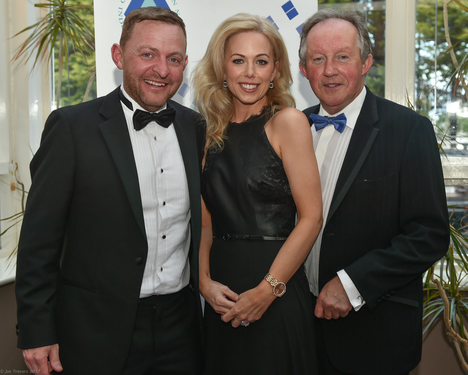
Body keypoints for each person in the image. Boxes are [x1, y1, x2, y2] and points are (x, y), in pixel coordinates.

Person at [15, 6, 204, 375]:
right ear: (119, 55)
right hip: (95, 329)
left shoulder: (195, 128)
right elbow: (40, 239)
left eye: (174, 58)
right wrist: (36, 329)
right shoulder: (71, 128)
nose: (161, 70)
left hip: (181, 327)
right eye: (147, 54)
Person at [298, 8, 450, 375]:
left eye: (342, 57)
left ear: (366, 62)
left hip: (374, 336)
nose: (330, 70)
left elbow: (428, 234)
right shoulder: (292, 128)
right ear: (303, 70)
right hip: (298, 333)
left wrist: (352, 285)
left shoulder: (409, 130)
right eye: (318, 59)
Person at [192, 13, 323, 375]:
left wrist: (268, 290)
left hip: (275, 287)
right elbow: (205, 223)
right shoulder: (206, 133)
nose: (250, 72)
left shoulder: (288, 122)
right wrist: (203, 281)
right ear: (223, 67)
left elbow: (312, 218)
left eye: (260, 61)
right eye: (239, 61)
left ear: (274, 69)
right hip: (221, 292)